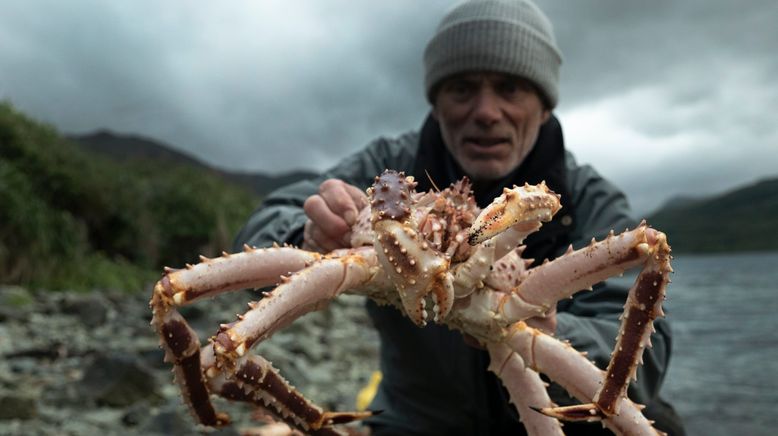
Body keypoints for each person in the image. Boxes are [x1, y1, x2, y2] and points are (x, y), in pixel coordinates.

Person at [234, 0, 684, 434]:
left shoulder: (586, 197)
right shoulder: (391, 165)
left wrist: (558, 330)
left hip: (552, 394)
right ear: (437, 101)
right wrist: (307, 233)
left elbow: (648, 352)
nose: (486, 112)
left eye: (510, 88)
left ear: (544, 105)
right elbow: (263, 227)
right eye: (462, 88)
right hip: (417, 418)